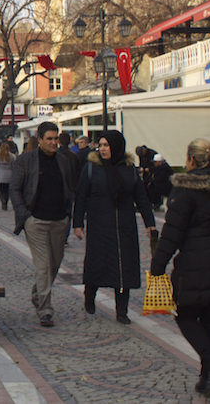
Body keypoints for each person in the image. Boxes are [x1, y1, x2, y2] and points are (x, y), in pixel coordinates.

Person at [150, 138, 210, 399]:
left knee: (186, 315)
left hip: (195, 263)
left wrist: (158, 264)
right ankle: (208, 380)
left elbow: (173, 231)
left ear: (190, 160)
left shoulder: (185, 189)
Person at [72, 130, 156, 325]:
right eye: (100, 145)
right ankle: (89, 295)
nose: (102, 149)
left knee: (123, 269)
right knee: (96, 264)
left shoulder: (129, 169)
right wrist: (77, 224)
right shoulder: (92, 168)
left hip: (124, 226)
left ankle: (121, 311)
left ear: (116, 147)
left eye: (106, 145)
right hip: (99, 225)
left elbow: (141, 198)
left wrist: (149, 223)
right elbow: (81, 196)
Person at [10, 121, 79, 327]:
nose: (53, 143)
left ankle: (38, 294)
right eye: (49, 139)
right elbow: (15, 188)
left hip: (59, 220)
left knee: (54, 264)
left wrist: (68, 213)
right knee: (43, 265)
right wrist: (24, 215)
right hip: (36, 221)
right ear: (39, 140)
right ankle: (46, 310)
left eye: (56, 139)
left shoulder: (64, 160)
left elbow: (70, 187)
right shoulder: (26, 160)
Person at [0, 141, 15, 210]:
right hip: (9, 175)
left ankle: (2, 200)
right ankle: (6, 201)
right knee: (7, 190)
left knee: (1, 190)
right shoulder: (12, 156)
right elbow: (14, 167)